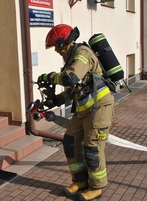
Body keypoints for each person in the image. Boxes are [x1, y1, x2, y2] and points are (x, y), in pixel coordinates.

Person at [37, 24, 114, 201]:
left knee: (92, 149)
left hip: (100, 109)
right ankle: (80, 181)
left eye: (56, 45)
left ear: (64, 42)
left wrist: (49, 77)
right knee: (70, 142)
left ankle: (96, 187)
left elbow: (70, 78)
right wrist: (55, 100)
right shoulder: (71, 59)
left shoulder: (82, 54)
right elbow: (74, 90)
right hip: (84, 109)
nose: (56, 50)